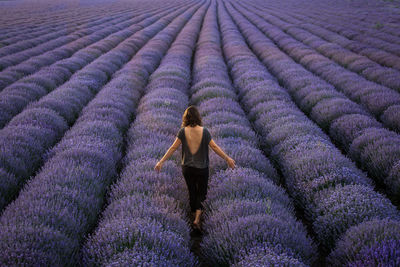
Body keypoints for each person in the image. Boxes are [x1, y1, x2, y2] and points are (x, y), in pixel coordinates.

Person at [154, 105, 236, 230]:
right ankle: (197, 219)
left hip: (187, 167)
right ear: (198, 117)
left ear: (186, 118)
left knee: (192, 191)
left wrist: (161, 161)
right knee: (202, 193)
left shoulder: (182, 131)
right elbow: (214, 147)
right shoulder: (204, 131)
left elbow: (173, 148)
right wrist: (227, 158)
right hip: (202, 168)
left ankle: (193, 218)